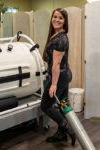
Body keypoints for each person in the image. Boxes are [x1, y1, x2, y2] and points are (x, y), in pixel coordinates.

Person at [41, 8, 76, 146]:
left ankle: (66, 127)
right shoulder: (56, 35)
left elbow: (56, 65)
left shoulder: (60, 39)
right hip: (65, 75)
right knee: (62, 103)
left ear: (65, 21)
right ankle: (62, 133)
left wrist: (54, 84)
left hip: (59, 77)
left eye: (60, 18)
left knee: (45, 105)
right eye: (55, 16)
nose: (56, 19)